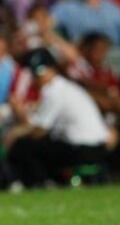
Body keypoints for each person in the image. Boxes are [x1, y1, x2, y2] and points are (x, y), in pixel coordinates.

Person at [8, 48, 110, 188]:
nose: (37, 77)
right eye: (34, 73)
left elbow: (40, 130)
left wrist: (16, 129)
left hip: (83, 149)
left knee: (24, 145)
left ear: (52, 68)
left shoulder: (53, 91)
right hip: (96, 147)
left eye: (40, 72)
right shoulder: (64, 87)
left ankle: (42, 183)